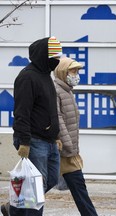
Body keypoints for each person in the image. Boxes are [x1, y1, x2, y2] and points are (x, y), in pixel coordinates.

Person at [1, 36, 63, 216]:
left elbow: (50, 109)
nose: (57, 60)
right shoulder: (27, 77)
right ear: (44, 55)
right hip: (34, 140)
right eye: (54, 56)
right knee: (36, 186)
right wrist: (25, 142)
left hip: (49, 140)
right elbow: (22, 112)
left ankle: (12, 208)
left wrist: (56, 135)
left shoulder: (46, 76)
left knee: (50, 180)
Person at [53, 57, 98, 216]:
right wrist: (69, 147)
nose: (76, 74)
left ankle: (12, 208)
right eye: (73, 70)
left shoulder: (66, 91)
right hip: (64, 151)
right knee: (77, 186)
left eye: (78, 71)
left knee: (77, 187)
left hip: (67, 149)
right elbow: (58, 120)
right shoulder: (56, 90)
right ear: (63, 72)